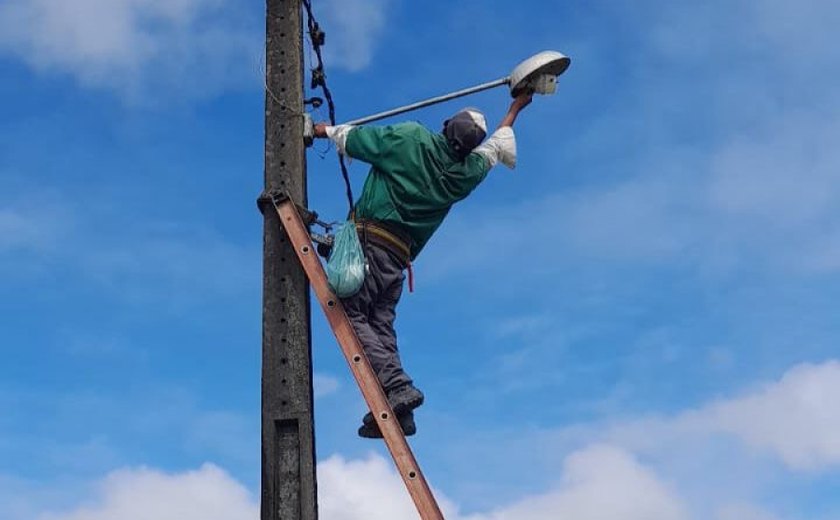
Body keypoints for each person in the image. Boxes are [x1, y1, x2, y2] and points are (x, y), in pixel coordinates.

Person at [314, 92, 533, 438]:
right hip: (398, 262)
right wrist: (514, 109)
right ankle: (400, 412)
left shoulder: (411, 138)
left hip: (370, 247)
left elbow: (357, 139)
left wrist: (319, 130)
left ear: (446, 126)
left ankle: (397, 387)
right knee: (380, 328)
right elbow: (494, 150)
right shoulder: (464, 174)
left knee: (351, 316)